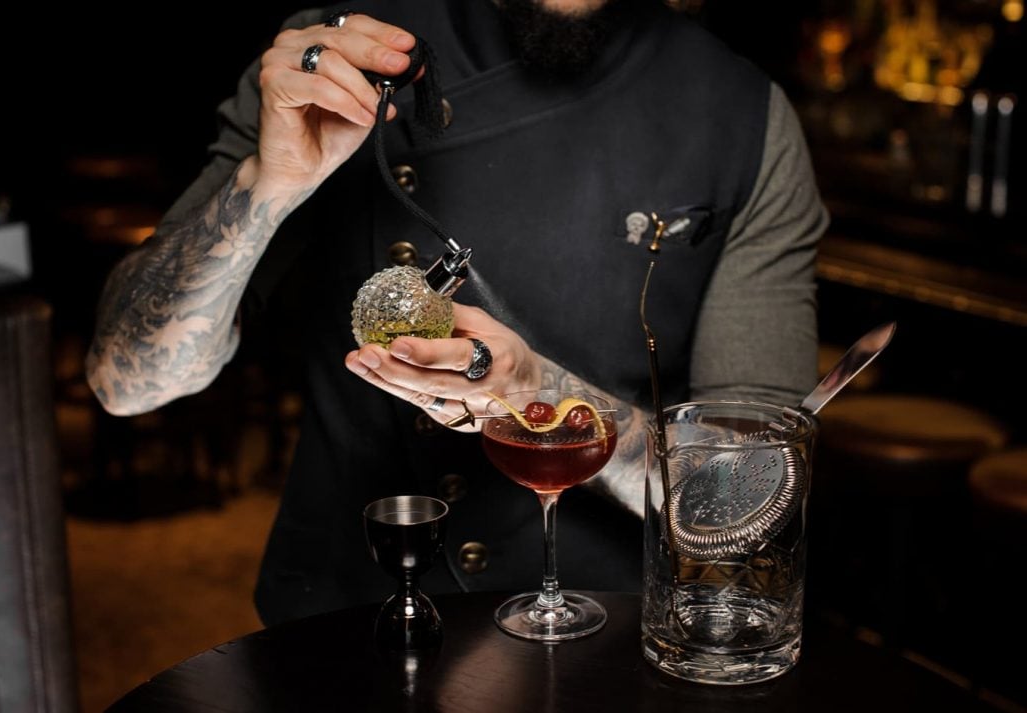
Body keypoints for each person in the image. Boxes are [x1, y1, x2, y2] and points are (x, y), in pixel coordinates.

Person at [86, 0, 827, 626]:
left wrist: (536, 393)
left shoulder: (745, 118)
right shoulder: (341, 53)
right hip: (351, 621)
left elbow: (754, 502)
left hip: (610, 632)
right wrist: (268, 184)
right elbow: (128, 381)